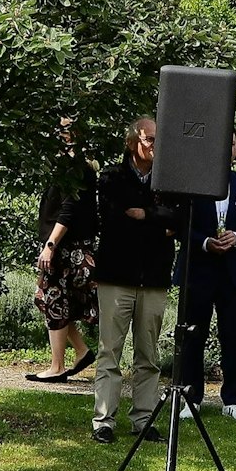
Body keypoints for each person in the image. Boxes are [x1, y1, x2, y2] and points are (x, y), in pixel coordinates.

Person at [89, 118, 177, 445]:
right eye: (149, 139)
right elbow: (114, 220)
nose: (155, 145)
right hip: (116, 276)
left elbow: (177, 220)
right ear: (132, 143)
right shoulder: (112, 177)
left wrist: (145, 215)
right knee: (110, 350)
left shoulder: (169, 180)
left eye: (159, 139)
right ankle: (104, 421)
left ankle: (144, 419)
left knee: (148, 354)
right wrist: (157, 222)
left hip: (153, 278)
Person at [175, 137, 236, 421]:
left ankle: (233, 401)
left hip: (232, 274)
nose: (228, 149)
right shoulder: (194, 184)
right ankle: (191, 399)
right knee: (192, 336)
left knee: (234, 337)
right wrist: (205, 243)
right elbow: (180, 227)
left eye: (234, 144)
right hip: (199, 272)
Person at [27, 119, 98, 384]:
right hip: (63, 246)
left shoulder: (76, 168)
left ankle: (57, 366)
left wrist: (50, 246)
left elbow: (67, 211)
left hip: (66, 248)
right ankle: (81, 351)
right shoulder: (67, 167)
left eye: (63, 130)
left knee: (53, 301)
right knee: (50, 300)